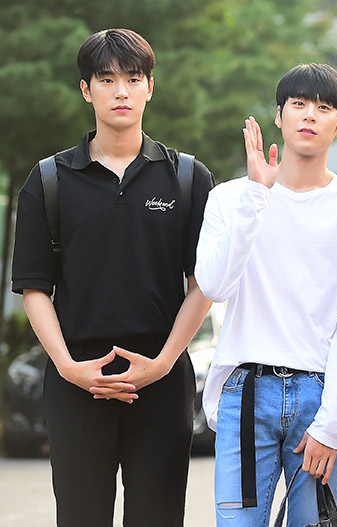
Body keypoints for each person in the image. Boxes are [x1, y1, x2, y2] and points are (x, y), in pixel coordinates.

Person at [10, 28, 215, 526]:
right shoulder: (49, 180)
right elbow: (35, 288)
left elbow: (203, 285)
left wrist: (163, 363)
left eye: (133, 78)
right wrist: (67, 366)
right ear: (86, 89)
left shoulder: (187, 178)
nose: (121, 91)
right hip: (77, 380)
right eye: (106, 79)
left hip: (162, 380)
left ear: (150, 87)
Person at [195, 63, 337, 525]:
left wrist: (332, 422)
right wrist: (257, 195)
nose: (309, 115)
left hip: (320, 395)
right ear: (279, 115)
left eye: (324, 108)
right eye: (298, 104)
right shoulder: (230, 198)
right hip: (246, 390)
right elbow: (214, 286)